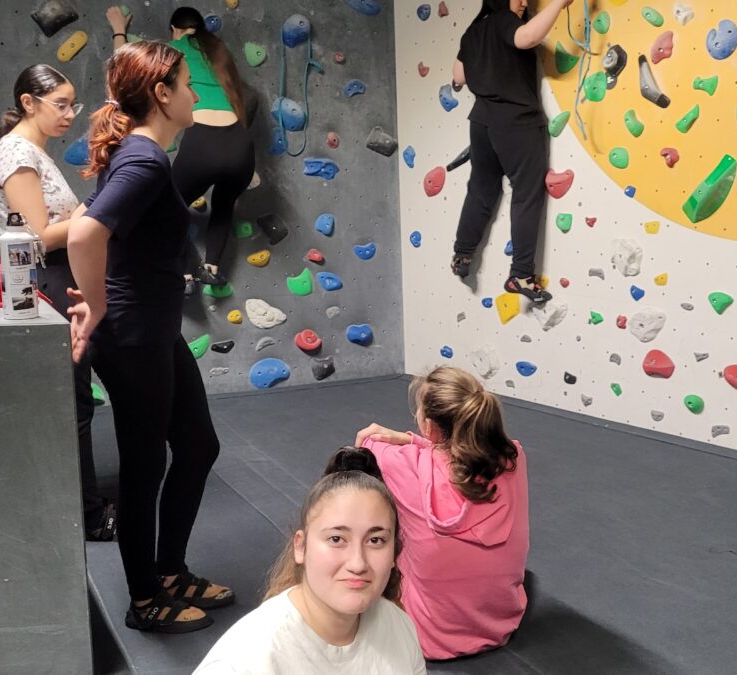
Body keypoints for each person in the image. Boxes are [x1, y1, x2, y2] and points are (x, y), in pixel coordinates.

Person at [67, 41, 231, 633]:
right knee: (143, 467)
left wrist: (99, 293)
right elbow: (87, 234)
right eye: (188, 85)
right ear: (162, 94)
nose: (194, 95)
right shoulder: (143, 161)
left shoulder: (141, 156)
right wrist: (101, 300)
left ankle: (169, 570)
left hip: (154, 330)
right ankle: (145, 601)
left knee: (197, 447)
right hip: (135, 334)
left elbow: (90, 229)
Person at [0, 64, 116, 542]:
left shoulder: (30, 150)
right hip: (45, 277)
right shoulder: (18, 153)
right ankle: (89, 513)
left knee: (75, 396)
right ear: (28, 103)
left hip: (53, 276)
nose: (69, 114)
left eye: (72, 104)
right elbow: (38, 238)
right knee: (73, 399)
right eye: (60, 104)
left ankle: (83, 505)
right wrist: (96, 204)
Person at [194, 447, 427, 674]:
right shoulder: (246, 661)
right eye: (337, 539)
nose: (358, 563)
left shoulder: (399, 627)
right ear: (301, 547)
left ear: (394, 552)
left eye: (375, 540)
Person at [355, 366, 529, 660]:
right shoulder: (512, 458)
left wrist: (409, 441)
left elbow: (366, 442)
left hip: (426, 638)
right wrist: (416, 441)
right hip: (500, 624)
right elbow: (456, 459)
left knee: (379, 526)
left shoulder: (401, 464)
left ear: (429, 426)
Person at [108, 5, 255, 289]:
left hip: (204, 142)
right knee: (223, 206)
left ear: (175, 30)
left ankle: (186, 272)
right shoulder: (219, 53)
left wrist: (118, 28)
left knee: (167, 208)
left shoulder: (174, 51)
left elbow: (123, 62)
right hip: (240, 145)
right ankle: (211, 266)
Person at [450, 0, 575, 304]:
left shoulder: (474, 30)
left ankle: (462, 254)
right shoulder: (504, 20)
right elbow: (526, 38)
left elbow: (459, 76)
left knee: (481, 189)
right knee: (527, 192)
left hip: (481, 121)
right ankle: (521, 274)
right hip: (516, 122)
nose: (523, 2)